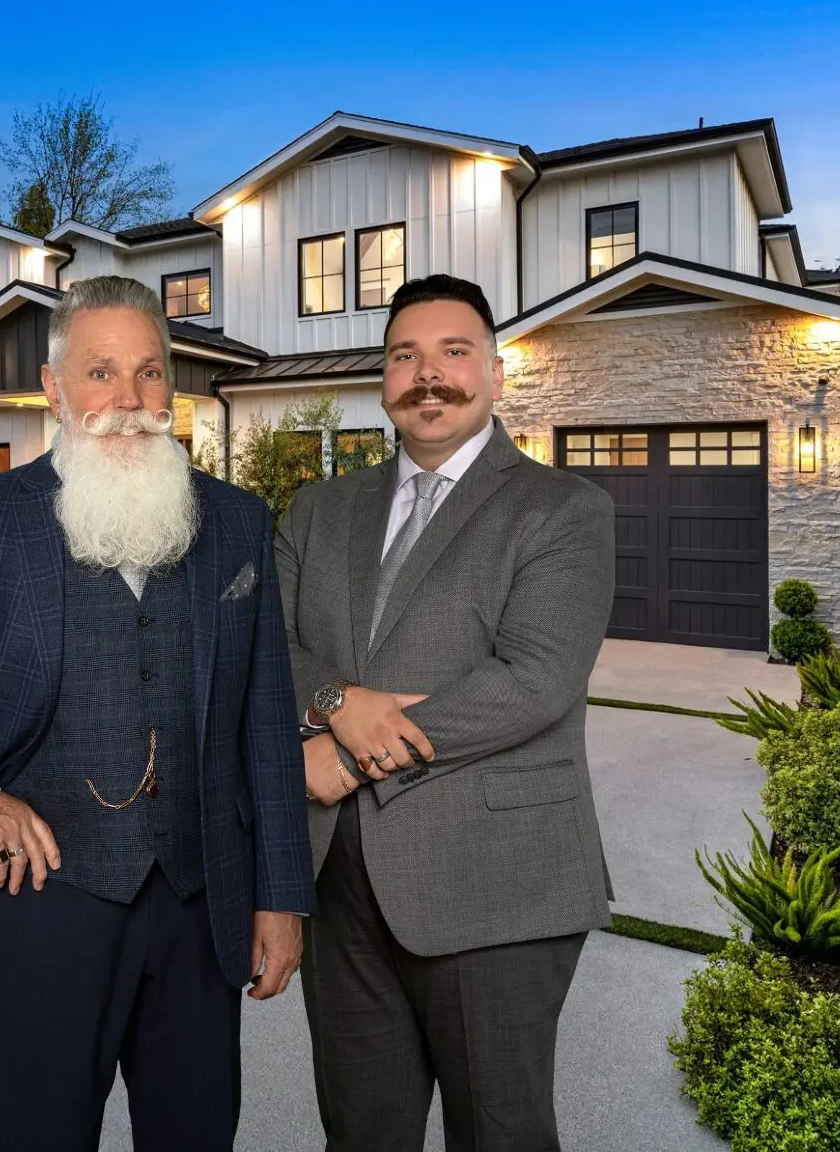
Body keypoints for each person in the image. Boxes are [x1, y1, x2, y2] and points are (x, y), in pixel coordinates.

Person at [0, 275, 314, 1152]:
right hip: (42, 905)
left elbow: (265, 725)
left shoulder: (235, 524)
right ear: (53, 388)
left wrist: (282, 895)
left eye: (150, 373)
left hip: (201, 902)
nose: (130, 400)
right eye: (101, 373)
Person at [275, 273, 616, 1152]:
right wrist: (335, 699)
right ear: (383, 380)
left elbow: (533, 679)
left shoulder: (563, 509)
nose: (429, 376)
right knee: (361, 1132)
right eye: (405, 356)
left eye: (454, 353)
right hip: (340, 882)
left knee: (499, 1134)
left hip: (497, 881)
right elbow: (265, 645)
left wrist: (348, 755)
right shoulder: (318, 511)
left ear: (496, 375)